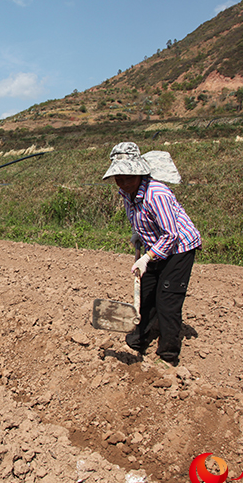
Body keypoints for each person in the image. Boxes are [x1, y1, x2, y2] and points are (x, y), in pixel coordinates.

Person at [102, 142, 201, 366]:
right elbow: (143, 218)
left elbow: (171, 234)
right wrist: (138, 234)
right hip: (157, 245)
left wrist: (147, 257)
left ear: (140, 172)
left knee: (167, 300)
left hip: (179, 248)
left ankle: (168, 355)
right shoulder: (127, 192)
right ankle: (139, 339)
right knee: (147, 295)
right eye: (119, 178)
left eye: (129, 177)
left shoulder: (157, 194)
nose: (124, 183)